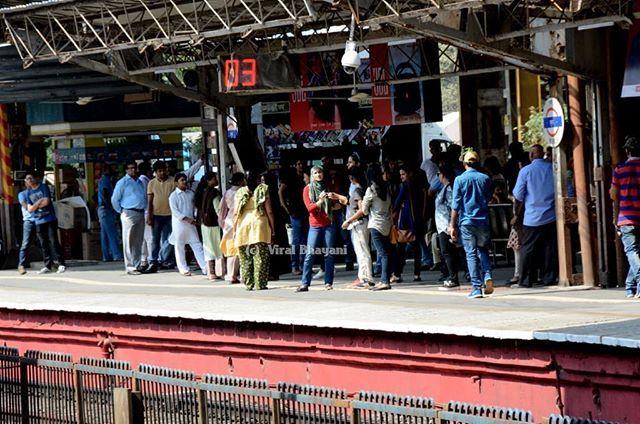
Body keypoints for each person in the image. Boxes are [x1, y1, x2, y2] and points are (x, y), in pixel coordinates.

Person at [449, 151, 494, 299]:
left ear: (465, 164)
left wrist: (452, 225)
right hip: (483, 220)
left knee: (471, 254)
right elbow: (488, 197)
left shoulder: (459, 180)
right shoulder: (485, 178)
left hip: (467, 222)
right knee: (483, 249)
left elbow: (455, 205)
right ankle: (487, 274)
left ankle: (476, 288)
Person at [512, 144, 558, 288]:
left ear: (531, 155)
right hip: (551, 215)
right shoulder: (553, 168)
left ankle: (526, 280)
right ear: (543, 153)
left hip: (532, 217)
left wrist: (516, 215)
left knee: (528, 249)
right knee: (549, 248)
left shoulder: (525, 171)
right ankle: (548, 278)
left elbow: (518, 195)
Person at [296, 166, 339, 292]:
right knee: (310, 254)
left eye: (320, 172)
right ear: (312, 175)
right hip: (314, 225)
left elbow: (335, 205)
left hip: (328, 224)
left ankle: (328, 283)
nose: (319, 174)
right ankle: (305, 283)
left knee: (329, 254)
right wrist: (320, 201)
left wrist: (335, 200)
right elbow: (310, 208)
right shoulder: (307, 189)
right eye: (316, 173)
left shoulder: (327, 187)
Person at [233, 172, 276, 290]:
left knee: (245, 257)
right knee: (260, 256)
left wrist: (234, 230)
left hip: (243, 225)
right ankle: (260, 284)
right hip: (259, 224)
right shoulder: (263, 189)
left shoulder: (240, 192)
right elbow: (270, 211)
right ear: (258, 180)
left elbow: (235, 213)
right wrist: (273, 229)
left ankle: (249, 283)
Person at [611, 136, 640, 298]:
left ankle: (635, 284)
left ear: (627, 151)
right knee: (636, 252)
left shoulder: (620, 170)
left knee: (631, 251)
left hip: (626, 217)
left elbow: (614, 196)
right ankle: (630, 287)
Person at [356, 165, 394, 291]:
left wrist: (364, 204)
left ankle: (384, 281)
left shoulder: (371, 190)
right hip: (386, 224)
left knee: (382, 254)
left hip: (375, 225)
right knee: (386, 253)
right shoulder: (386, 188)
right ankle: (386, 279)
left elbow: (365, 211)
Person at [25, 173, 66, 274]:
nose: (29, 180)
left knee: (54, 241)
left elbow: (47, 201)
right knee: (43, 243)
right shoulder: (28, 193)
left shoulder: (43, 187)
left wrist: (35, 205)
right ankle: (48, 264)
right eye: (27, 179)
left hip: (49, 218)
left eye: (31, 177)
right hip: (38, 220)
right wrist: (39, 202)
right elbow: (29, 209)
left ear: (35, 178)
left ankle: (61, 263)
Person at [111, 161, 147, 275]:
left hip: (140, 212)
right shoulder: (122, 182)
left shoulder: (140, 182)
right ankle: (130, 267)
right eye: (130, 168)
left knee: (138, 241)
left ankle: (136, 265)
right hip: (128, 212)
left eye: (134, 168)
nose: (133, 170)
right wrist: (121, 211)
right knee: (128, 240)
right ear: (126, 170)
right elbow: (114, 199)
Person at [168, 173, 208, 276]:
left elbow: (195, 207)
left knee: (197, 245)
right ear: (176, 183)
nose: (185, 182)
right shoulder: (173, 196)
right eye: (182, 180)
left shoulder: (190, 193)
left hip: (191, 224)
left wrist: (194, 218)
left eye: (185, 180)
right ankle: (183, 269)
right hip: (179, 225)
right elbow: (175, 212)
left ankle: (205, 268)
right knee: (179, 247)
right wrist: (187, 219)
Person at [393, 165, 426, 282]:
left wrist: (393, 212)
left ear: (409, 174)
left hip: (406, 221)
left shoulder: (405, 186)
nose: (401, 177)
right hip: (418, 221)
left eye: (403, 174)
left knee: (400, 249)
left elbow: (397, 202)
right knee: (417, 249)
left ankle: (397, 274)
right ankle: (417, 274)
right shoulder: (420, 187)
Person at [341, 167, 373, 288]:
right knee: (363, 251)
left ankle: (365, 277)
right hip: (361, 223)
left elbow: (361, 210)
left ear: (351, 178)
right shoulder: (362, 189)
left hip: (358, 224)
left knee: (362, 251)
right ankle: (363, 276)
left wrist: (348, 221)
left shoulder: (357, 191)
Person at [278, 160, 307, 275]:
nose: (300, 166)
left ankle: (303, 264)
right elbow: (280, 192)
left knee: (304, 239)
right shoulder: (291, 177)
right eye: (298, 164)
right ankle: (295, 265)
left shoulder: (306, 177)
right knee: (296, 239)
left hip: (306, 211)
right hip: (295, 211)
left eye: (302, 164)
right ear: (295, 166)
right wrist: (285, 207)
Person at [145, 161, 174, 273]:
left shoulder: (173, 181)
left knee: (169, 239)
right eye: (159, 171)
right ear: (155, 172)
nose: (162, 173)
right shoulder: (151, 183)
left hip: (170, 215)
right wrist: (149, 215)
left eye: (163, 170)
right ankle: (153, 260)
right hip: (156, 216)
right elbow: (150, 201)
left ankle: (163, 259)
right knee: (155, 240)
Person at [435, 165, 462, 289]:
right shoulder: (445, 188)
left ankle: (453, 278)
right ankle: (452, 276)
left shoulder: (449, 189)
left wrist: (452, 224)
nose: (438, 176)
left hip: (447, 225)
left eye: (438, 174)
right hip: (443, 225)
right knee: (447, 251)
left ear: (443, 174)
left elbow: (453, 207)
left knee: (448, 252)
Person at [219, 172, 246, 284]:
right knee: (242, 250)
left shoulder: (227, 193)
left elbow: (221, 211)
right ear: (240, 181)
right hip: (241, 221)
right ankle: (243, 276)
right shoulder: (244, 192)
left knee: (231, 251)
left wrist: (223, 224)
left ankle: (231, 275)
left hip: (229, 223)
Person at [196, 172, 223, 280]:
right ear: (208, 181)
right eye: (214, 179)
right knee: (217, 248)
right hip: (214, 224)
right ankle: (221, 271)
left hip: (204, 224)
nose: (216, 180)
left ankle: (211, 272)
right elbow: (218, 210)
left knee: (208, 248)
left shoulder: (200, 192)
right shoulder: (214, 193)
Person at [97, 166, 123, 262]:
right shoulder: (105, 180)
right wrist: (111, 205)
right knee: (112, 233)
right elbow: (105, 192)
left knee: (105, 234)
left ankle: (106, 256)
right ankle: (116, 254)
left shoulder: (103, 180)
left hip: (102, 209)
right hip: (106, 209)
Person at [17, 183, 37, 274]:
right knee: (25, 243)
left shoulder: (38, 193)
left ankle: (50, 263)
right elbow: (26, 206)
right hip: (28, 220)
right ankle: (21, 265)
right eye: (27, 180)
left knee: (45, 241)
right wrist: (38, 205)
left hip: (39, 219)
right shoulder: (22, 194)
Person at [138, 162, 154, 269]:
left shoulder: (140, 181)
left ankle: (144, 259)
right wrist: (149, 214)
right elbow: (148, 200)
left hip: (142, 212)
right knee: (149, 238)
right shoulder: (145, 181)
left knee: (143, 238)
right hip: (146, 212)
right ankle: (149, 259)